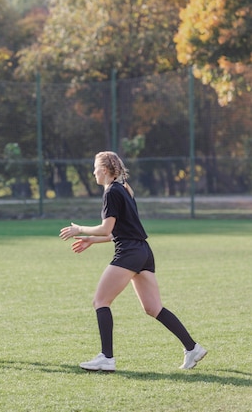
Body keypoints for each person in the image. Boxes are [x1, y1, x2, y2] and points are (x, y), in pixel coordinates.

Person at [59, 151, 206, 372]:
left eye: (96, 167)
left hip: (129, 252)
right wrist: (91, 239)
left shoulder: (111, 193)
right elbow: (118, 232)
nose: (93, 172)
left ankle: (106, 358)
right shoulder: (125, 190)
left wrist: (79, 228)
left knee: (100, 301)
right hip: (143, 252)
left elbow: (107, 228)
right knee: (153, 308)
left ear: (106, 170)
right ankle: (192, 348)